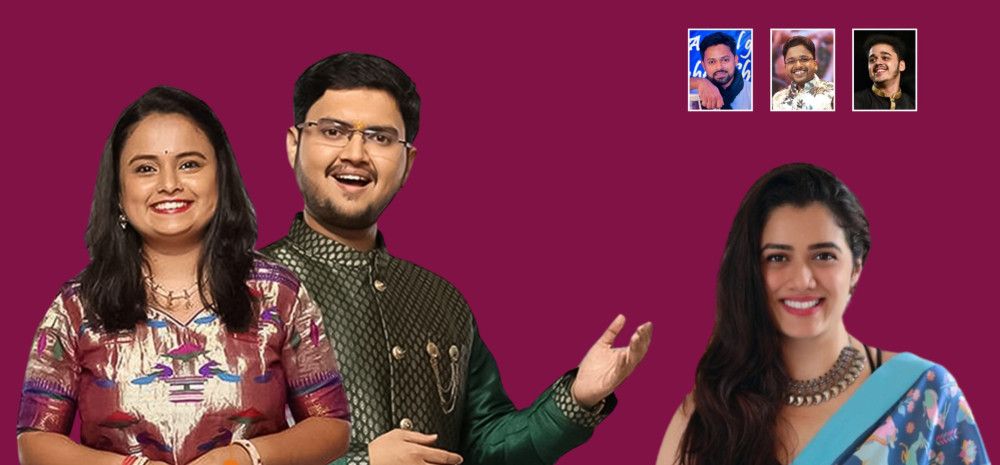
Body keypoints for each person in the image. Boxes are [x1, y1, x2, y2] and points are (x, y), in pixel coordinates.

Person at [261, 52, 653, 465]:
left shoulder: (440, 301)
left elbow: (485, 448)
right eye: (334, 131)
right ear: (294, 145)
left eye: (380, 137)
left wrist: (575, 399)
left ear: (407, 163)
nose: (355, 153)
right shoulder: (241, 290)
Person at [17, 86, 351, 465]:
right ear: (118, 192)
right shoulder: (78, 306)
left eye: (189, 164)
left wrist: (244, 458)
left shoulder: (278, 293)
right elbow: (35, 440)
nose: (169, 183)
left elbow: (332, 426)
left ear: (220, 177)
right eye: (145, 168)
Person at [655, 164, 989, 465]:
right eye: (777, 258)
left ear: (856, 267)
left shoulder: (924, 395)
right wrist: (598, 403)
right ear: (751, 271)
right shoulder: (711, 413)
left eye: (824, 256)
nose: (802, 280)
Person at [689, 31, 751, 110]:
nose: (719, 67)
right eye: (712, 62)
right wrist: (698, 82)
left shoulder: (751, 91)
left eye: (725, 60)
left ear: (735, 60)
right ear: (704, 65)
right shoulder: (692, 93)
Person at [771, 36, 835, 110]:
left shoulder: (832, 92)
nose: (798, 65)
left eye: (804, 59)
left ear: (815, 64)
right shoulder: (778, 98)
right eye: (791, 61)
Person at [854, 34, 915, 110]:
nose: (877, 63)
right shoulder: (854, 102)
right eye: (872, 60)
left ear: (901, 65)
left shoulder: (913, 105)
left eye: (885, 58)